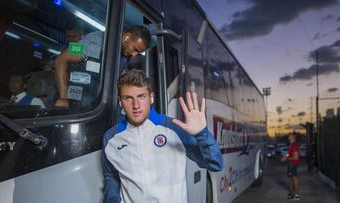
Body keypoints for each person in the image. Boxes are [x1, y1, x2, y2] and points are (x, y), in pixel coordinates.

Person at [102, 69, 223, 203]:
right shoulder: (111, 138)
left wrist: (202, 134)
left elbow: (215, 164)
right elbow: (111, 176)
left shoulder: (173, 128)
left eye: (141, 96)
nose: (136, 105)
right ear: (120, 101)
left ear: (151, 97)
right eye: (128, 98)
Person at [54, 25, 151, 107]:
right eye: (135, 49)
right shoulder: (94, 40)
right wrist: (63, 98)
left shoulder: (125, 54)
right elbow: (61, 59)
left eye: (138, 53)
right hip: (76, 101)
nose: (134, 55)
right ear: (127, 38)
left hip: (97, 104)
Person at [282, 134, 300, 200]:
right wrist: (286, 156)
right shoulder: (291, 145)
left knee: (294, 179)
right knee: (291, 179)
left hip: (293, 164)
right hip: (291, 164)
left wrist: (286, 158)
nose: (288, 136)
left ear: (293, 137)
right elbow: (290, 154)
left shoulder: (294, 145)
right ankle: (293, 193)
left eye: (290, 136)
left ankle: (296, 195)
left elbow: (296, 157)